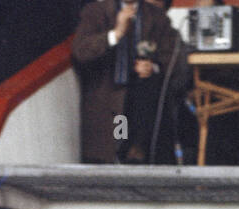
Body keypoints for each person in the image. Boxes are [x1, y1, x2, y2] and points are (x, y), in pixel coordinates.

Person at [71, 1, 181, 165]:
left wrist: (154, 67)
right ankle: (124, 152)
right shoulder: (96, 12)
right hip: (112, 102)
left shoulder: (156, 16)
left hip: (143, 102)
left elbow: (174, 57)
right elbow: (81, 52)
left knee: (144, 153)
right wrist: (116, 33)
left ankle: (137, 152)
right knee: (119, 141)